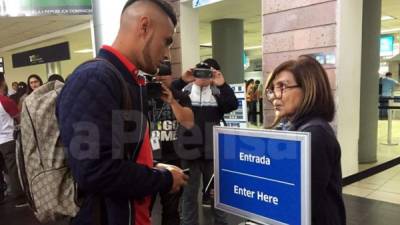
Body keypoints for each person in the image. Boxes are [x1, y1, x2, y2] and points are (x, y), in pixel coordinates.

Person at [57, 1, 188, 225]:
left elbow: (119, 155)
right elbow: (94, 171)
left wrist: (154, 166)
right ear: (144, 26)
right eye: (166, 42)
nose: (167, 53)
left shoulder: (125, 80)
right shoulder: (94, 78)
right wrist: (163, 179)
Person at [265, 55, 346, 225]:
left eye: (282, 87)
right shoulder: (296, 128)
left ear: (309, 89)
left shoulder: (314, 134)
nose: (274, 97)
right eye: (272, 89)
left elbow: (301, 202)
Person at [173, 58, 238, 225]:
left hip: (212, 153)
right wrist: (183, 79)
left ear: (212, 75)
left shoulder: (217, 96)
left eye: (207, 73)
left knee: (217, 195)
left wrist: (222, 84)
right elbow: (168, 92)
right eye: (199, 72)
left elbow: (232, 104)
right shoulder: (185, 94)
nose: (202, 77)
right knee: (189, 196)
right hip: (189, 153)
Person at [148, 61, 194, 225]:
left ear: (170, 76)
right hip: (150, 161)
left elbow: (188, 122)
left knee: (171, 209)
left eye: (164, 75)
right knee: (145, 208)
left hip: (174, 159)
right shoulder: (145, 95)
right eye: (156, 75)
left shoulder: (180, 96)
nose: (160, 78)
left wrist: (172, 101)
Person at [0, 73, 25, 207]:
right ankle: (19, 198)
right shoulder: (5, 101)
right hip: (8, 140)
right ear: (2, 82)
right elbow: (18, 117)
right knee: (13, 169)